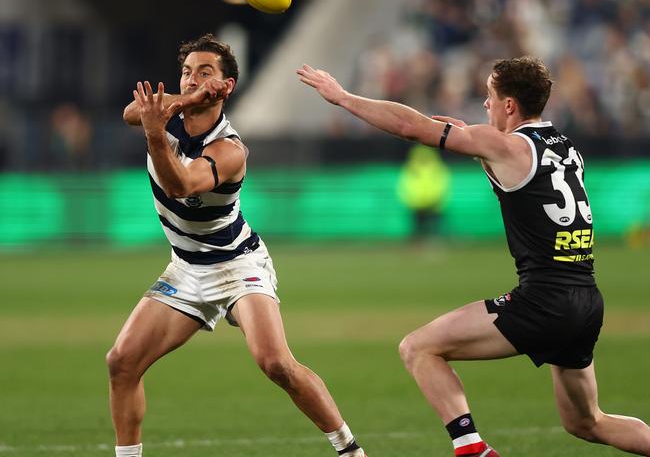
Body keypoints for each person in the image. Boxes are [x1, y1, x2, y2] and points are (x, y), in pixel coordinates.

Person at [297, 57, 650, 457]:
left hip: (545, 302)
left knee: (419, 348)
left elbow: (411, 127)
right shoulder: (566, 147)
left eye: (490, 96)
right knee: (587, 422)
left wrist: (342, 98)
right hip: (586, 300)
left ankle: (472, 449)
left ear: (510, 106)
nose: (486, 104)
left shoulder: (504, 144)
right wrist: (470, 138)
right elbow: (519, 172)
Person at [107, 34, 367, 457]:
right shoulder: (169, 113)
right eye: (186, 72)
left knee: (276, 364)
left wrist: (158, 134)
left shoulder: (231, 149)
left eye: (204, 73)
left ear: (226, 87)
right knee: (121, 362)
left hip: (237, 263)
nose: (191, 79)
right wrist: (181, 102)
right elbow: (131, 111)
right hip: (186, 266)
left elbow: (181, 186)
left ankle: (351, 450)